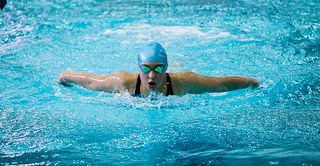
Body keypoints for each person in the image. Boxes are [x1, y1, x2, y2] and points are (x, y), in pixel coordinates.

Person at [57, 42, 259, 96]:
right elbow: (90, 80)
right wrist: (65, 77)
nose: (151, 75)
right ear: (137, 69)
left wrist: (251, 82)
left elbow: (218, 84)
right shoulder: (121, 82)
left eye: (158, 68)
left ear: (166, 69)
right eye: (145, 69)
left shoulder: (182, 82)